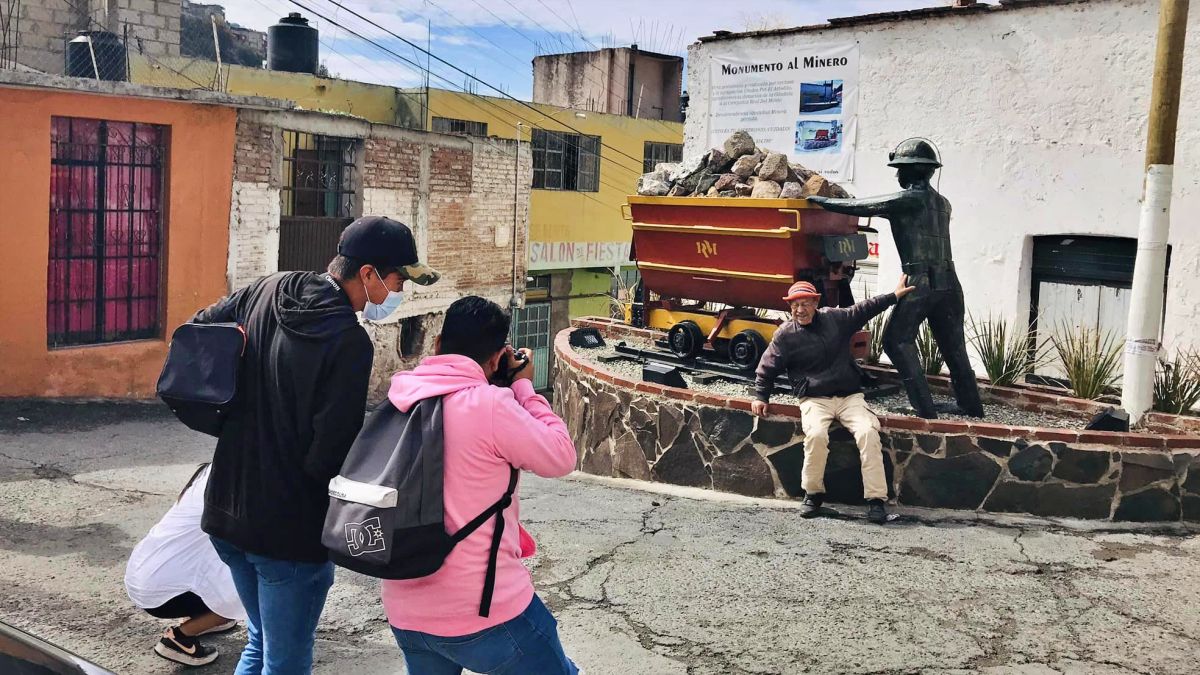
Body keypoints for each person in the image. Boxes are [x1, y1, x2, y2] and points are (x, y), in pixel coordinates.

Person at [192, 215, 440, 674]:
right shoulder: (348, 342)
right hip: (286, 531)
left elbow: (199, 330)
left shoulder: (268, 288)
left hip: (226, 504)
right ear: (367, 274)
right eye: (397, 280)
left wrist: (233, 407)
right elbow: (330, 452)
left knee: (260, 643)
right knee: (284, 662)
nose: (400, 292)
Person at [381, 296, 580, 674]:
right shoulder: (490, 405)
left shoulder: (400, 397)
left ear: (438, 344)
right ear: (495, 359)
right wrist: (523, 388)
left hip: (406, 610)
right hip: (487, 611)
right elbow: (560, 456)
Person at [808, 139, 984, 419]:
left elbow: (860, 207)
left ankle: (924, 409)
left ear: (912, 171)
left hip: (920, 280)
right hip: (950, 282)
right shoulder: (943, 203)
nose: (897, 175)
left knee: (895, 341)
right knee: (954, 346)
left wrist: (819, 200)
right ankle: (971, 405)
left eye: (899, 169)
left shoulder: (907, 200)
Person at [751, 277, 915, 524]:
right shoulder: (785, 335)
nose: (799, 310)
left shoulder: (835, 319)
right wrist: (761, 395)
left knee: (868, 433)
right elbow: (767, 366)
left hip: (850, 396)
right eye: (795, 305)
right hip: (814, 399)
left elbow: (864, 308)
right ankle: (812, 497)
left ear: (816, 303)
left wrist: (894, 296)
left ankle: (876, 502)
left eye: (805, 304)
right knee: (816, 435)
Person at [125, 463, 246, 667]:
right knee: (251, 591)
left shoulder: (212, 470)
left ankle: (201, 617)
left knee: (222, 565)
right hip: (161, 591)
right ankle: (179, 637)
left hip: (144, 574)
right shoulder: (231, 484)